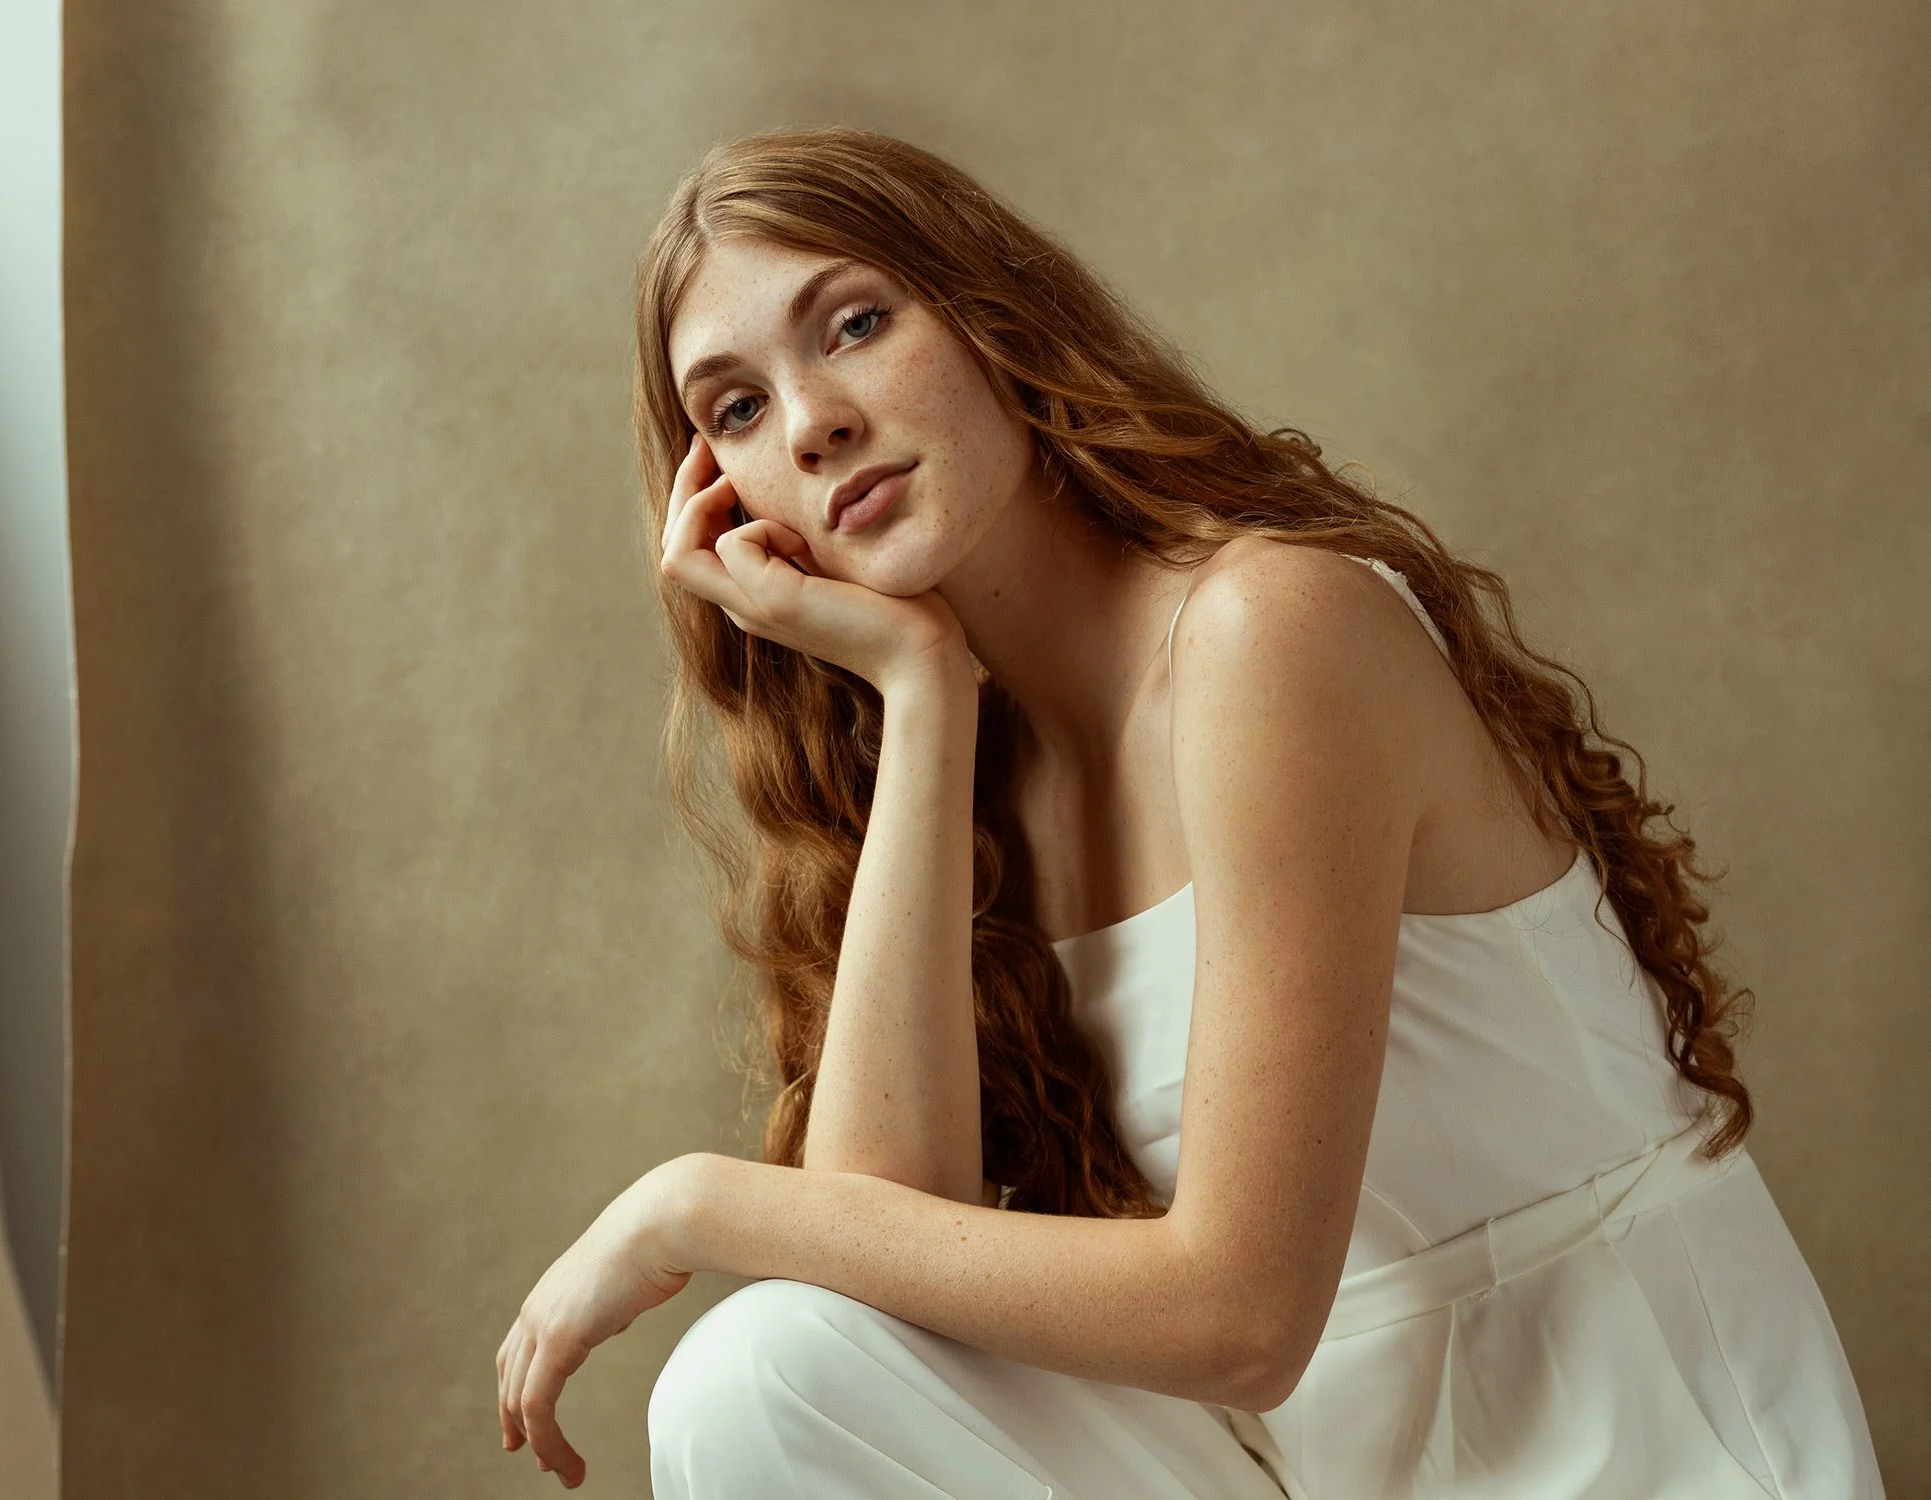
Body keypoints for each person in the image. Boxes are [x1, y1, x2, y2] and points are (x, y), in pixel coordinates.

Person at [492, 126, 1884, 1499]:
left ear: (991, 315)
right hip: (1315, 1460)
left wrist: (691, 1204)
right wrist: (922, 697)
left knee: (769, 1332)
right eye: (734, 409)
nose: (811, 422)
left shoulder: (1267, 631)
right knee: (769, 1372)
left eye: (853, 323)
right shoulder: (974, 767)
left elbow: (1242, 1315)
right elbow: (885, 1260)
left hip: (1630, 1448)